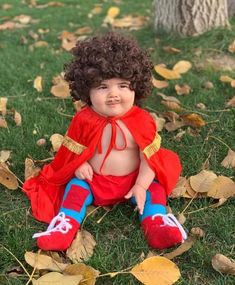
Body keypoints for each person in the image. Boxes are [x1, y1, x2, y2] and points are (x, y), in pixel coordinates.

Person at [23, 32, 187, 251]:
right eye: (102, 87)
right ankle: (65, 225)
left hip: (131, 181)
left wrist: (140, 185)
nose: (113, 94)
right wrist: (79, 165)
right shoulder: (84, 120)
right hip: (95, 181)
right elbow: (72, 151)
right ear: (86, 90)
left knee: (154, 190)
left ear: (136, 86)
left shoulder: (141, 121)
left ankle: (156, 222)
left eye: (122, 85)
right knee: (75, 188)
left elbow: (149, 159)